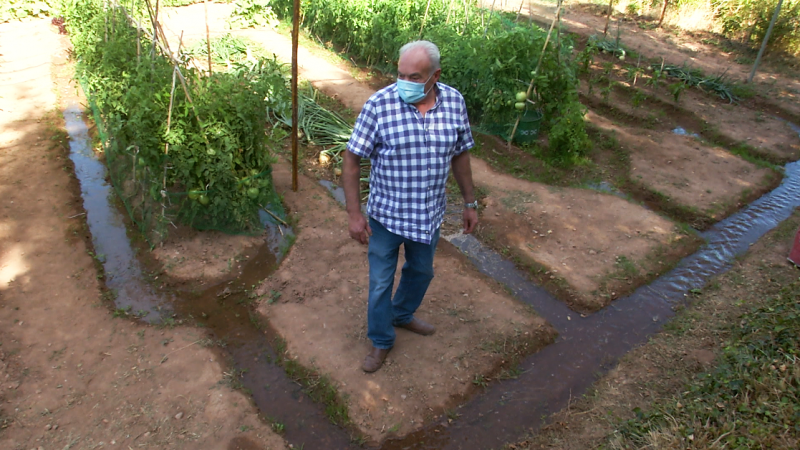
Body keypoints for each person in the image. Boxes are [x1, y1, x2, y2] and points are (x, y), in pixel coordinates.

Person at [343, 40, 478, 373]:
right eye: (400, 74)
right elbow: (351, 159)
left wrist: (470, 202)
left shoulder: (455, 103)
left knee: (422, 272)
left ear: (435, 76)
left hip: (428, 215)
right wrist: (354, 214)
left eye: (414, 76)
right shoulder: (379, 105)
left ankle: (401, 314)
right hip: (387, 217)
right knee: (379, 283)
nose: (403, 82)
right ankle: (381, 340)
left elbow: (460, 155)